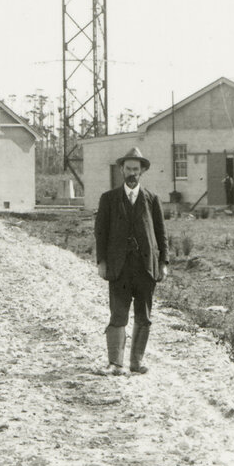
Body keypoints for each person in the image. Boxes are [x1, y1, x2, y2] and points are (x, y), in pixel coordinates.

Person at [95, 149, 169, 374]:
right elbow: (101, 233)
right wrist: (102, 262)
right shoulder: (108, 199)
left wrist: (163, 262)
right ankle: (115, 363)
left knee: (144, 316)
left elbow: (161, 233)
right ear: (121, 170)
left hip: (146, 268)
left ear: (142, 171)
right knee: (118, 314)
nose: (132, 173)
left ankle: (136, 363)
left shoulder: (152, 199)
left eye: (136, 170)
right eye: (128, 169)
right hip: (119, 268)